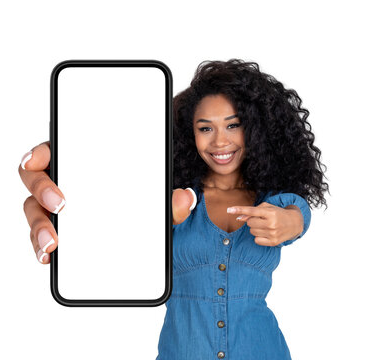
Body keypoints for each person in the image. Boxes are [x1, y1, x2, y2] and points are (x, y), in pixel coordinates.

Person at [18, 59, 328, 359]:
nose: (221, 141)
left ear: (256, 130)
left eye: (233, 125)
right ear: (189, 134)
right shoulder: (170, 200)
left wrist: (293, 220)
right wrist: (80, 171)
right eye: (205, 129)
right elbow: (119, 216)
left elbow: (295, 212)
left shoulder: (272, 200)